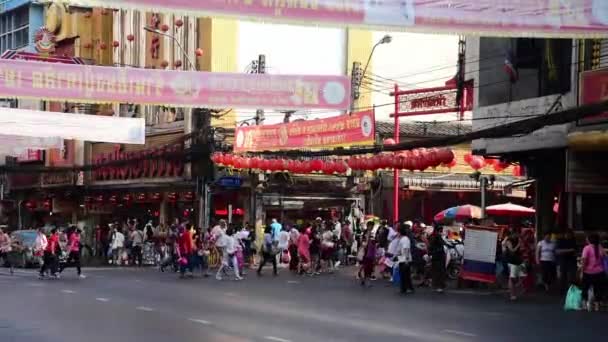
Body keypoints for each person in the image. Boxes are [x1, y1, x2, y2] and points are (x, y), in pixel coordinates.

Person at [580, 233, 606, 312]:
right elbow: (604, 257)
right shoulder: (600, 247)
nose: (586, 239)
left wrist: (581, 271)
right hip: (599, 272)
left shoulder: (586, 248)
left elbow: (584, 261)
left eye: (587, 238)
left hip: (588, 272)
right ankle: (597, 306)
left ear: (590, 239)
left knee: (585, 288)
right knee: (598, 289)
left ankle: (585, 305)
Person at [503, 231, 525, 301]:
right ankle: (512, 294)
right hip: (511, 260)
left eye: (518, 233)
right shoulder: (508, 241)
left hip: (519, 260)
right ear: (512, 234)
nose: (517, 234)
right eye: (516, 233)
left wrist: (521, 245)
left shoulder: (518, 239)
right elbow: (512, 250)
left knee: (523, 275)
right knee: (512, 278)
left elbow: (521, 249)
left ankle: (516, 287)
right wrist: (519, 244)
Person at [397, 223, 414, 294]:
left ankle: (405, 288)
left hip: (405, 260)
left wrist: (406, 260)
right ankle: (409, 288)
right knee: (406, 275)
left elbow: (406, 249)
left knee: (404, 275)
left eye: (398, 232)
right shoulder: (403, 239)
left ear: (400, 232)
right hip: (402, 259)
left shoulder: (405, 239)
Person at [428, 225, 446, 293]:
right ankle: (439, 286)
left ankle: (437, 286)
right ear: (440, 230)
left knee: (436, 271)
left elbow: (431, 246)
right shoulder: (437, 236)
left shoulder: (434, 236)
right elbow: (441, 244)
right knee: (439, 271)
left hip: (436, 256)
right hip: (439, 256)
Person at [360, 221, 377, 287]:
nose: (372, 227)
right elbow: (364, 242)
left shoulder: (367, 233)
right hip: (368, 252)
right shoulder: (367, 233)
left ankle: (364, 279)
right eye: (371, 226)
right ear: (369, 226)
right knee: (368, 267)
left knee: (366, 266)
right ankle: (367, 281)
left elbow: (362, 242)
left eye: (373, 226)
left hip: (367, 252)